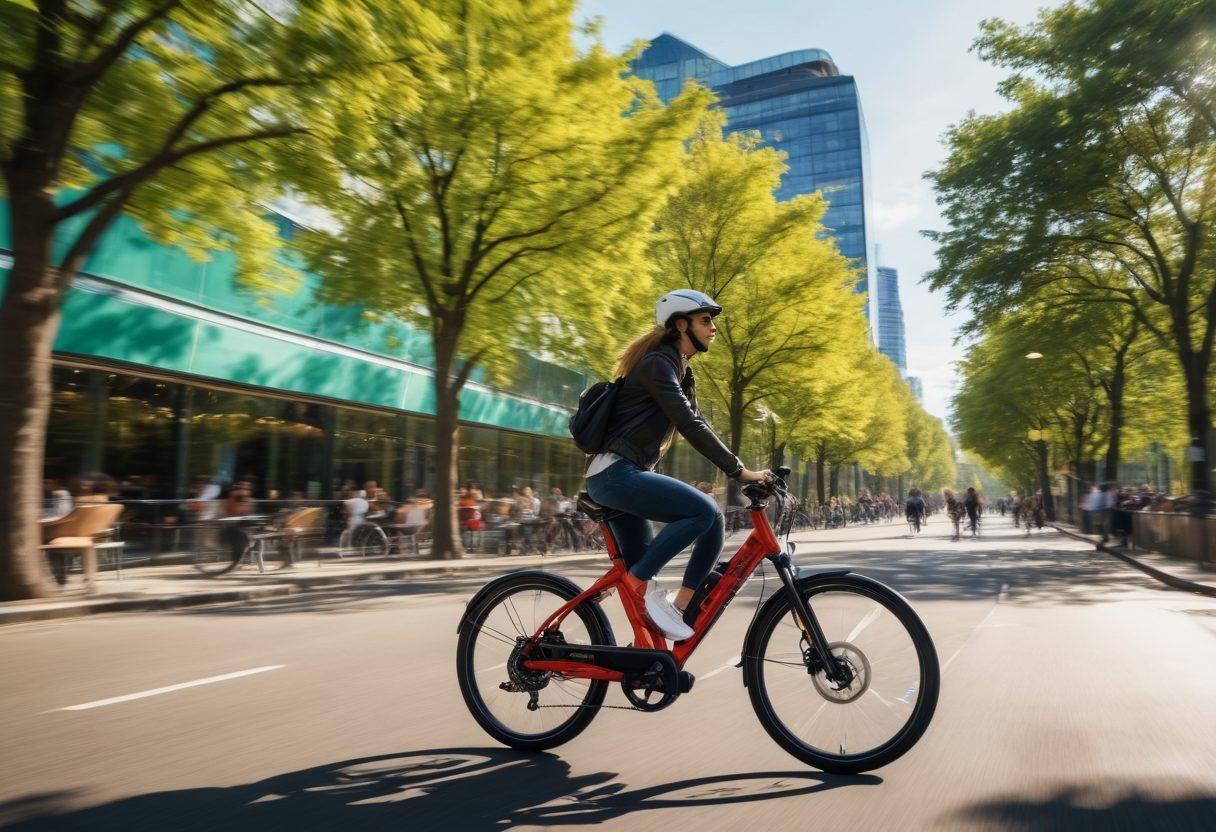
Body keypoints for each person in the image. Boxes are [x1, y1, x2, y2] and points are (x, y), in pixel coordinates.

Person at [584, 289, 769, 641]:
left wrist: (742, 470)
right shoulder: (657, 364)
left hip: (625, 475)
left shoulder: (681, 371)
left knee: (708, 523)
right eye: (705, 320)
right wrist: (740, 471)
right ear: (681, 325)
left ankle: (664, 626)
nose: (713, 327)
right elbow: (689, 423)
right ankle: (638, 585)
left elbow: (696, 421)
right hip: (614, 474)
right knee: (704, 513)